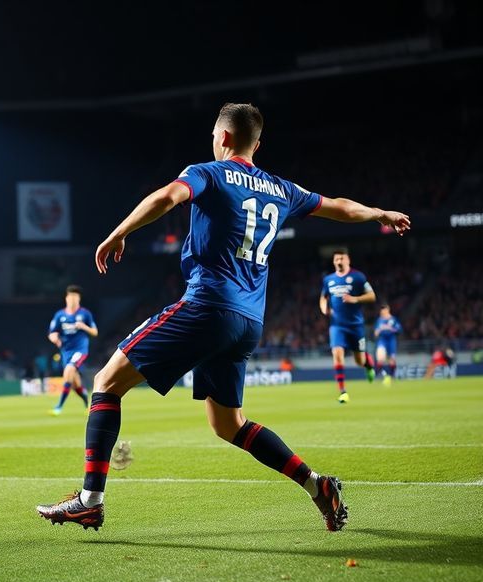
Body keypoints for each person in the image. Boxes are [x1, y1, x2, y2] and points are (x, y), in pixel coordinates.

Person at [36, 102, 409, 532]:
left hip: (207, 306)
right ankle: (316, 485)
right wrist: (380, 214)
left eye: (215, 135)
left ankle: (89, 501)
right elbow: (339, 206)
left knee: (106, 382)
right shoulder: (281, 188)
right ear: (257, 144)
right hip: (248, 321)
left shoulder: (209, 173)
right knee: (228, 424)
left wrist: (119, 232)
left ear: (224, 137)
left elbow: (167, 197)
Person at [319, 249, 377, 403]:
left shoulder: (358, 277)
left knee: (359, 361)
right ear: (333, 262)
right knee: (337, 354)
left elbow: (372, 296)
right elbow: (323, 297)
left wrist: (355, 299)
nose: (339, 261)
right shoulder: (328, 280)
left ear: (348, 260)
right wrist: (323, 307)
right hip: (337, 326)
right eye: (336, 259)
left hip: (355, 326)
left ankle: (368, 364)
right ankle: (343, 391)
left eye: (342, 258)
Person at [47, 285, 98, 415]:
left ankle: (59, 407)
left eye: (75, 297)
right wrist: (54, 338)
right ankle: (88, 404)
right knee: (75, 384)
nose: (72, 300)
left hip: (80, 350)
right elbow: (52, 333)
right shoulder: (59, 315)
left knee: (69, 370)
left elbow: (94, 332)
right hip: (66, 352)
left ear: (79, 299)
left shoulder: (85, 314)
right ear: (66, 299)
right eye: (70, 297)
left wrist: (84, 327)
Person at [373, 304, 401, 386]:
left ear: (387, 310)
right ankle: (382, 375)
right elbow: (375, 333)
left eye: (383, 310)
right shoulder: (379, 320)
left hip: (391, 341)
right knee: (380, 358)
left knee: (392, 361)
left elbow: (399, 330)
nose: (382, 312)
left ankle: (392, 376)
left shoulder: (393, 320)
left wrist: (390, 328)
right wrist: (378, 331)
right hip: (382, 340)